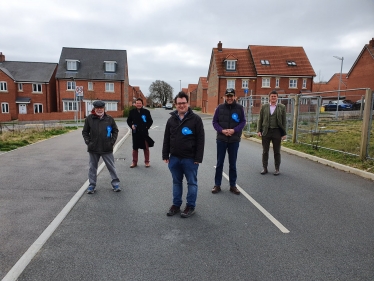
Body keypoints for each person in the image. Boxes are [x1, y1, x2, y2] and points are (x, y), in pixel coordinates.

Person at [162, 91, 205, 218]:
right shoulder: (171, 120)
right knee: (176, 182)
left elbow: (200, 140)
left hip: (190, 159)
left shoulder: (196, 119)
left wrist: (198, 158)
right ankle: (176, 205)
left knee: (192, 183)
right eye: (179, 103)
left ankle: (190, 206)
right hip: (174, 158)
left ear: (188, 104)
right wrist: (165, 155)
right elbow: (166, 139)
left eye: (184, 103)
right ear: (175, 104)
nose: (182, 105)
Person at [212, 88, 246, 195]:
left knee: (233, 164)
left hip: (234, 140)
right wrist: (222, 130)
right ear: (225, 97)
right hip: (221, 139)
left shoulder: (240, 108)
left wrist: (234, 130)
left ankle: (233, 185)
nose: (230, 98)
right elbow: (214, 122)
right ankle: (217, 185)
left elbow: (243, 122)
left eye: (231, 96)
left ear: (235, 97)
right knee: (219, 163)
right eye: (228, 96)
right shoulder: (219, 108)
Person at [82, 100, 121, 194]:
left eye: (101, 108)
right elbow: (85, 132)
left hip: (106, 147)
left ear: (104, 109)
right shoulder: (89, 118)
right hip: (93, 148)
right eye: (97, 108)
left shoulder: (109, 119)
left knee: (111, 167)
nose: (99, 110)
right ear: (94, 109)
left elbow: (115, 130)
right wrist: (88, 142)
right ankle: (92, 185)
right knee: (92, 168)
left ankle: (115, 184)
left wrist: (112, 142)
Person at [257, 90, 287, 176]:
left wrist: (284, 133)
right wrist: (259, 130)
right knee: (265, 151)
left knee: (277, 151)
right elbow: (260, 119)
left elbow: (284, 120)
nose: (273, 98)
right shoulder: (264, 107)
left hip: (277, 131)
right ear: (269, 97)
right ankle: (265, 168)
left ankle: (277, 169)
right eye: (272, 96)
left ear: (277, 97)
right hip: (266, 131)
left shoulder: (282, 107)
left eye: (275, 96)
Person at [127, 98, 154, 168]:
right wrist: (131, 125)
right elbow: (128, 120)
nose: (138, 104)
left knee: (146, 148)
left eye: (140, 103)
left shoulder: (146, 112)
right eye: (137, 103)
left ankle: (147, 162)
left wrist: (146, 127)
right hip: (135, 133)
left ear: (142, 104)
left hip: (144, 132)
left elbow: (150, 121)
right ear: (135, 104)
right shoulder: (132, 112)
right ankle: (134, 162)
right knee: (135, 148)